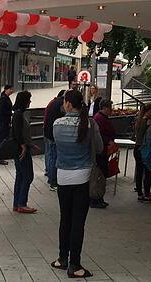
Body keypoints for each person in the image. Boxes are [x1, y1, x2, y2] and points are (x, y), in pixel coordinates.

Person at [50, 89, 102, 278]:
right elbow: (99, 147)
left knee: (65, 219)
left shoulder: (57, 124)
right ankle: (75, 265)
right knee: (78, 222)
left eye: (64, 101)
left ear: (69, 104)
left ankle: (62, 258)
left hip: (62, 176)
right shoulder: (89, 124)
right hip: (83, 177)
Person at [12, 91, 39, 214]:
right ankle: (22, 203)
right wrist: (23, 145)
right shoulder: (18, 115)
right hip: (21, 150)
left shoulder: (19, 114)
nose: (30, 102)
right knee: (28, 175)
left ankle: (17, 203)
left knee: (20, 175)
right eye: (29, 99)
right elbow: (18, 133)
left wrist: (30, 144)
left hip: (22, 147)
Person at [90, 99, 115, 209]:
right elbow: (98, 136)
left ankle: (99, 198)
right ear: (104, 108)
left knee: (101, 175)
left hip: (103, 150)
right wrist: (108, 141)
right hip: (100, 151)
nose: (111, 110)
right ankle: (96, 198)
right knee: (99, 176)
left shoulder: (101, 118)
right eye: (110, 108)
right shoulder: (99, 119)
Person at [44, 90, 66, 190]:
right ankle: (53, 181)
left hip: (49, 133)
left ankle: (50, 177)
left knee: (50, 156)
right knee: (54, 157)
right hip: (54, 134)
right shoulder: (61, 104)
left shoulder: (54, 102)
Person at [133, 104, 151, 201]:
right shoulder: (147, 122)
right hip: (144, 148)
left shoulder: (138, 120)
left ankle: (139, 193)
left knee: (139, 171)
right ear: (148, 111)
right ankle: (146, 194)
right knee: (147, 172)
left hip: (137, 147)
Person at [0, 85, 14, 165]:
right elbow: (3, 111)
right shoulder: (3, 99)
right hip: (3, 123)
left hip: (5, 122)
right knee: (2, 140)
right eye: (10, 89)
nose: (12, 91)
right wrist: (11, 113)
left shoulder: (5, 98)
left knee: (3, 139)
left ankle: (1, 157)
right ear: (6, 89)